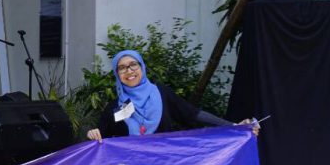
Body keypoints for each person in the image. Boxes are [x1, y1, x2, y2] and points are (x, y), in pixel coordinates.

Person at [86, 50, 259, 140]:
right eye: (122, 67)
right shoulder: (115, 107)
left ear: (142, 68)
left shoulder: (161, 93)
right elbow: (102, 135)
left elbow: (193, 115)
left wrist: (233, 126)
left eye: (133, 65)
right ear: (117, 74)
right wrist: (93, 134)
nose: (129, 71)